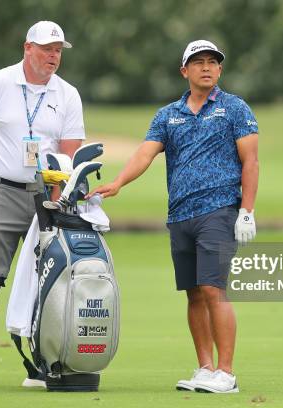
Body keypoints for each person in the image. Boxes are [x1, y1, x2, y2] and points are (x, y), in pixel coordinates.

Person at [88, 39, 259, 393]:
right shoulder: (168, 115)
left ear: (220, 69)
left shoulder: (234, 109)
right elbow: (145, 154)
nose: (207, 67)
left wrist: (246, 211)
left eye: (213, 62)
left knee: (214, 289)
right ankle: (205, 368)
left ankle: (226, 373)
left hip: (220, 209)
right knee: (194, 294)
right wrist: (119, 181)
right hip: (181, 215)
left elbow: (251, 162)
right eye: (199, 63)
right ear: (185, 71)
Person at [0, 20, 85, 390]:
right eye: (46, 49)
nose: (53, 56)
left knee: (53, 284)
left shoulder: (67, 94)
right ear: (28, 48)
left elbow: (69, 150)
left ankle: (43, 360)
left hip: (48, 194)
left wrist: (59, 197)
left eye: (58, 50)